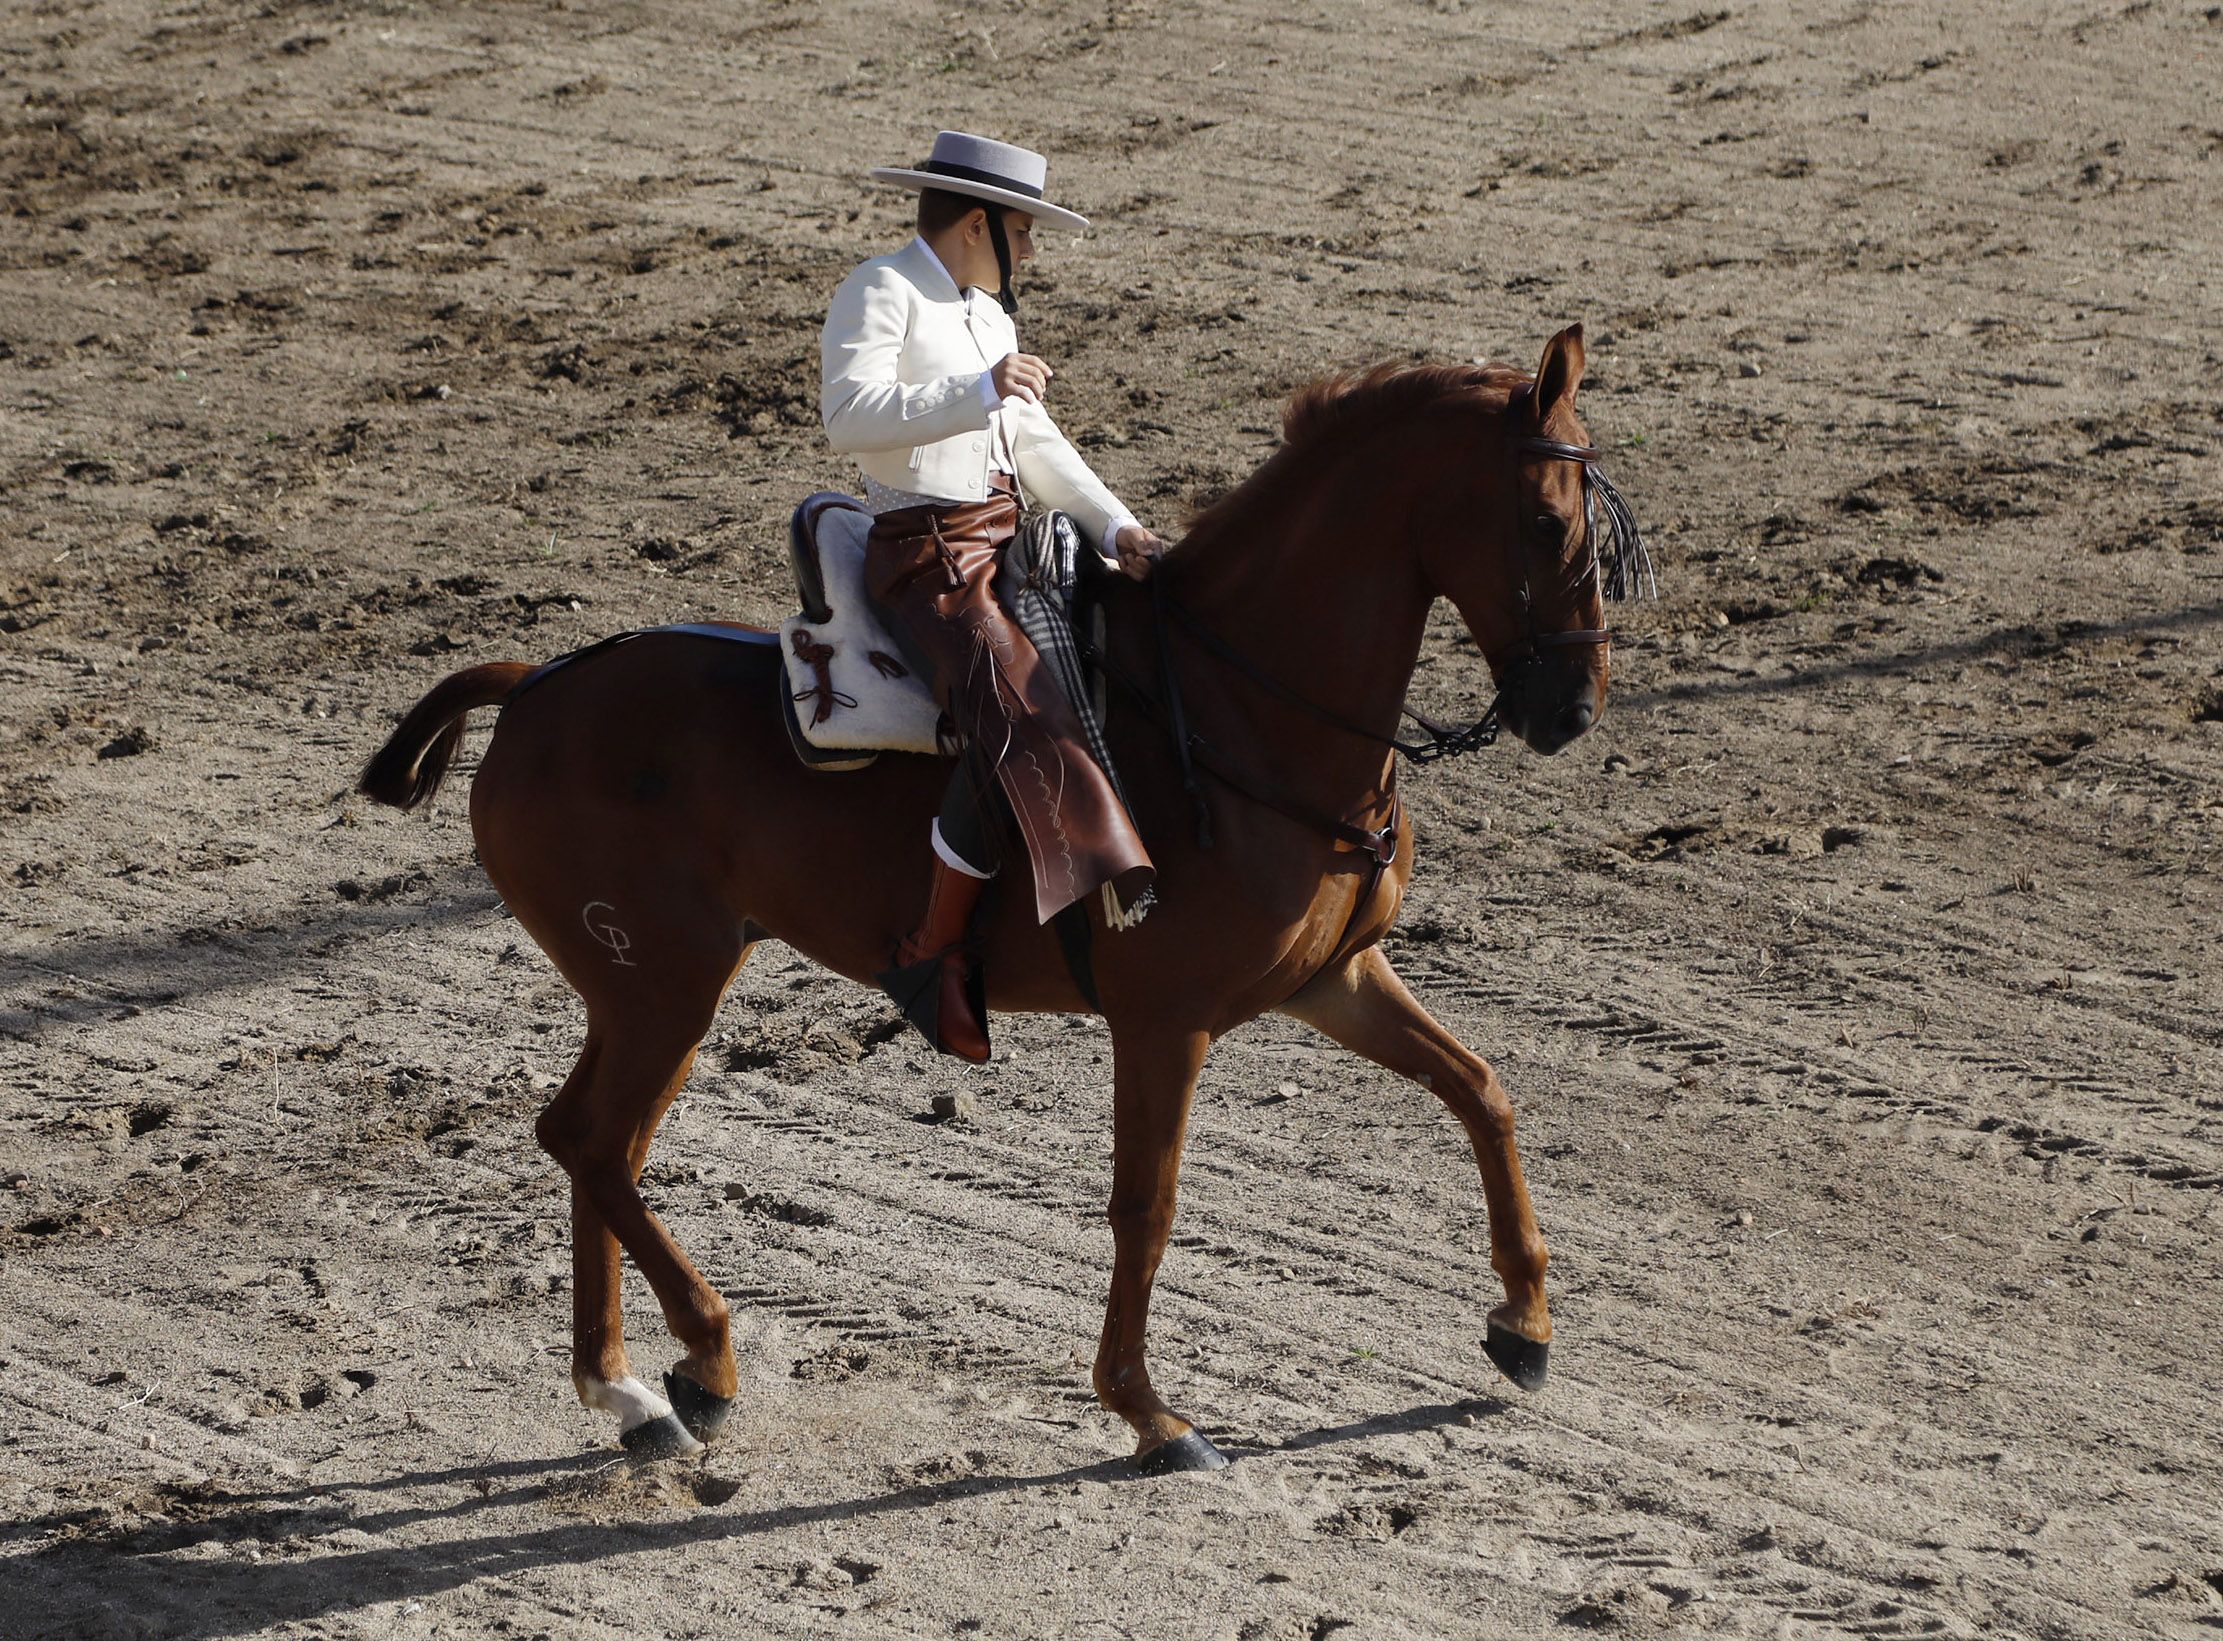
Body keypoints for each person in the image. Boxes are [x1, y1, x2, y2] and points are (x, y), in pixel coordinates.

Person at [821, 130, 1163, 1063]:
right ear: (980, 225)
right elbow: (845, 414)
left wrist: (1114, 526)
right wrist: (977, 389)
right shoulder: (880, 289)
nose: (1033, 250)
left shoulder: (990, 316)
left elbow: (1038, 446)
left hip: (1011, 540)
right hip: (923, 555)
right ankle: (929, 950)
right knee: (1013, 710)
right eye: (1025, 229)